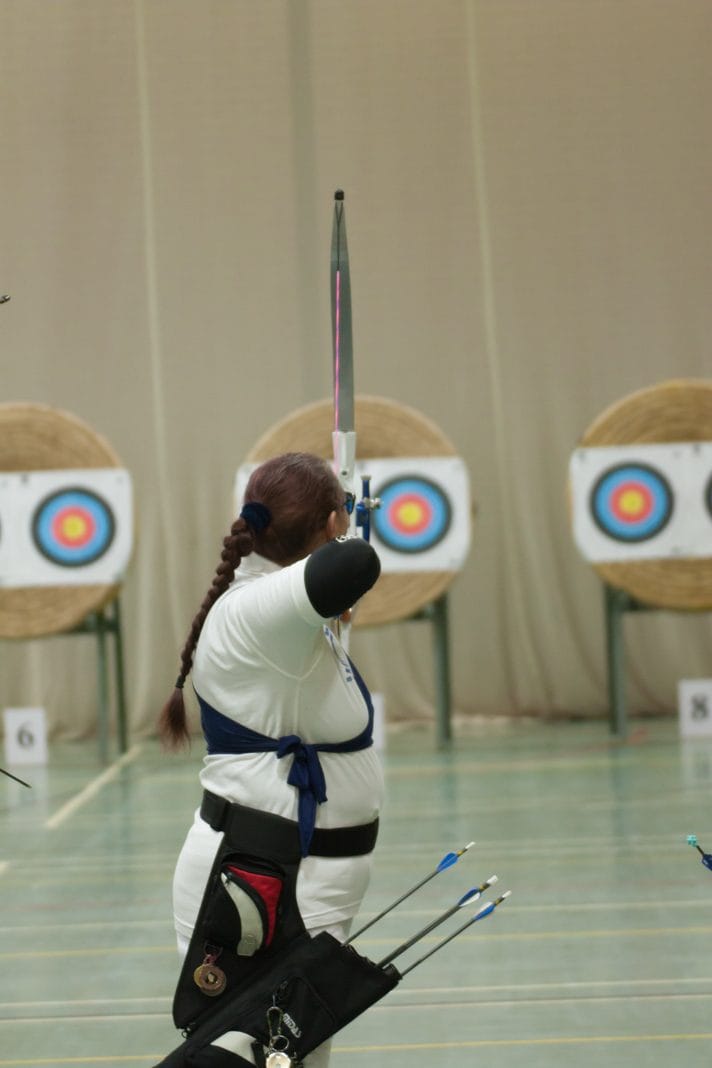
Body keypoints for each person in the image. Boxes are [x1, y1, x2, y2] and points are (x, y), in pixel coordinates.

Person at [159, 451, 384, 1068]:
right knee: (251, 1058)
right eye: (337, 516)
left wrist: (334, 524)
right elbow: (354, 564)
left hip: (297, 884)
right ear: (325, 524)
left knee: (292, 1058)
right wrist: (342, 535)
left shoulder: (274, 614)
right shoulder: (254, 608)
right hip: (264, 882)